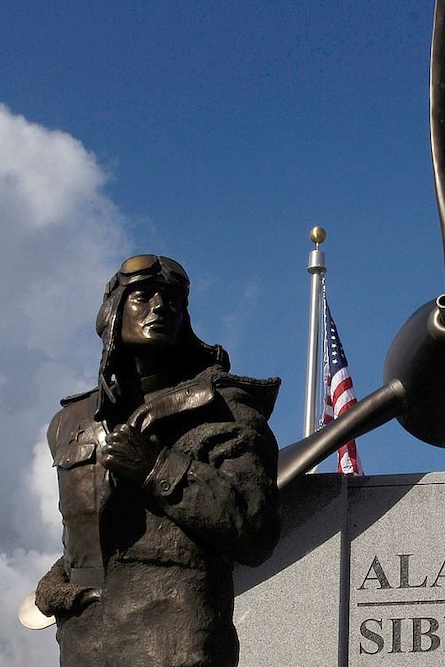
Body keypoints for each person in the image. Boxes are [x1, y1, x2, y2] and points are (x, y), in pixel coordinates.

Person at [34, 254, 281, 666]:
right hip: (86, 644)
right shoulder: (69, 423)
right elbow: (93, 529)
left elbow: (255, 529)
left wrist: (155, 468)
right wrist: (60, 574)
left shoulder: (227, 408)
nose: (160, 307)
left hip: (179, 640)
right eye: (143, 297)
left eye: (173, 301)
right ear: (113, 312)